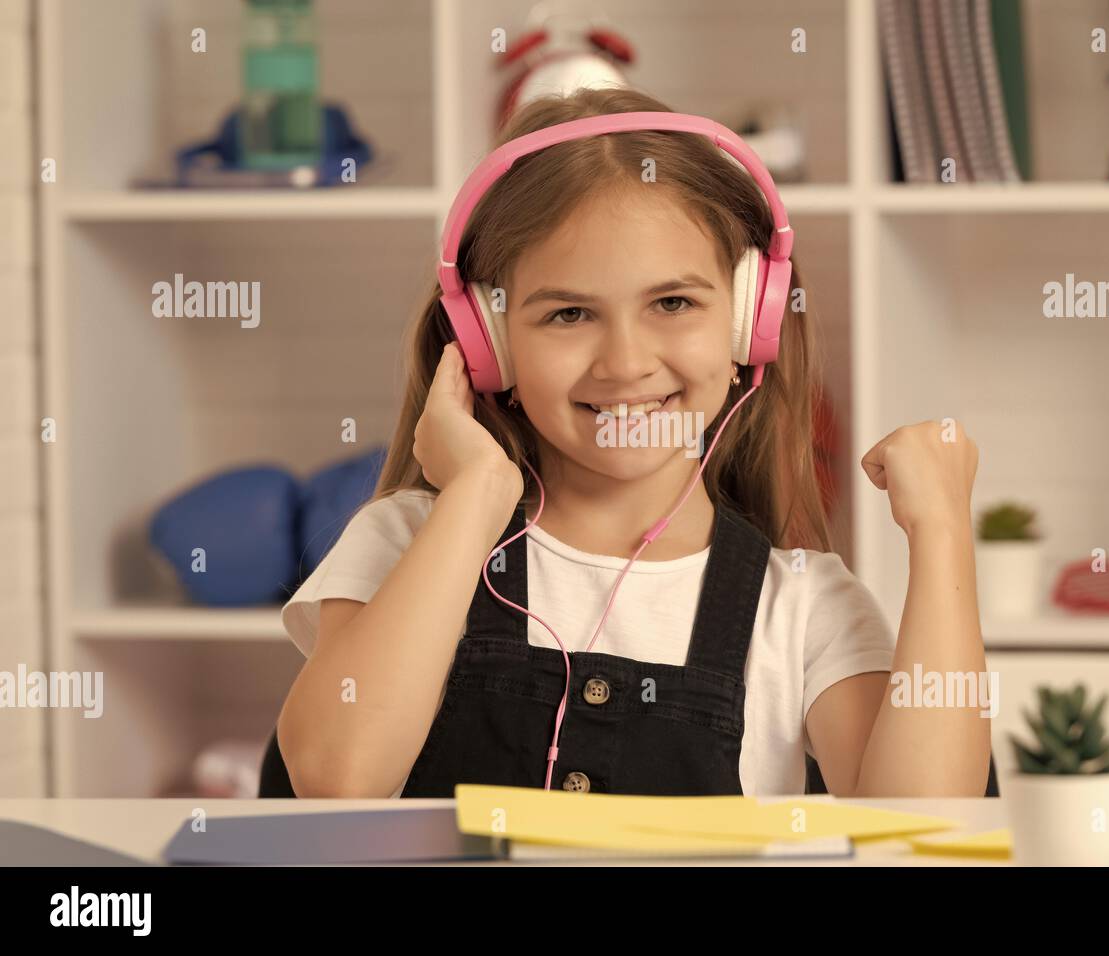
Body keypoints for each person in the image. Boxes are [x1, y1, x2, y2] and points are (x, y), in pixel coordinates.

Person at [275, 87, 990, 799]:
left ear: (749, 324)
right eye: (569, 313)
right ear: (489, 347)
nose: (624, 362)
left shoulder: (800, 606)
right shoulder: (409, 544)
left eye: (673, 303)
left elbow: (927, 830)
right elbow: (338, 779)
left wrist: (943, 534)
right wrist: (476, 494)